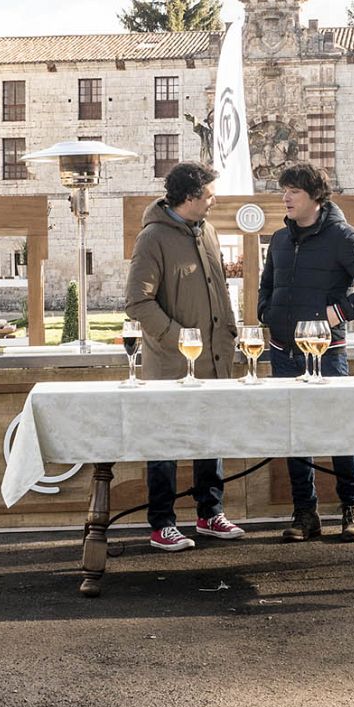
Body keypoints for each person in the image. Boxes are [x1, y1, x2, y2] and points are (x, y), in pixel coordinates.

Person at [258, 162, 354, 542]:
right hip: (283, 352)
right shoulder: (280, 239)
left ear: (315, 197)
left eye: (293, 192)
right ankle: (305, 514)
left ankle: (352, 509)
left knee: (337, 431)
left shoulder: (342, 237)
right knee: (295, 435)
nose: (285, 197)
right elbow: (267, 285)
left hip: (327, 352)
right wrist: (264, 312)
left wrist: (339, 312)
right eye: (284, 190)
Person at [125, 161, 245, 551]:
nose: (215, 200)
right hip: (171, 364)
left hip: (214, 362)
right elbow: (137, 302)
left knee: (210, 438)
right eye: (210, 194)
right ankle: (161, 523)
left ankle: (210, 514)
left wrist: (229, 334)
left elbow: (219, 290)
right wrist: (180, 338)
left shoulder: (207, 230)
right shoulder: (152, 239)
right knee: (166, 440)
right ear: (191, 197)